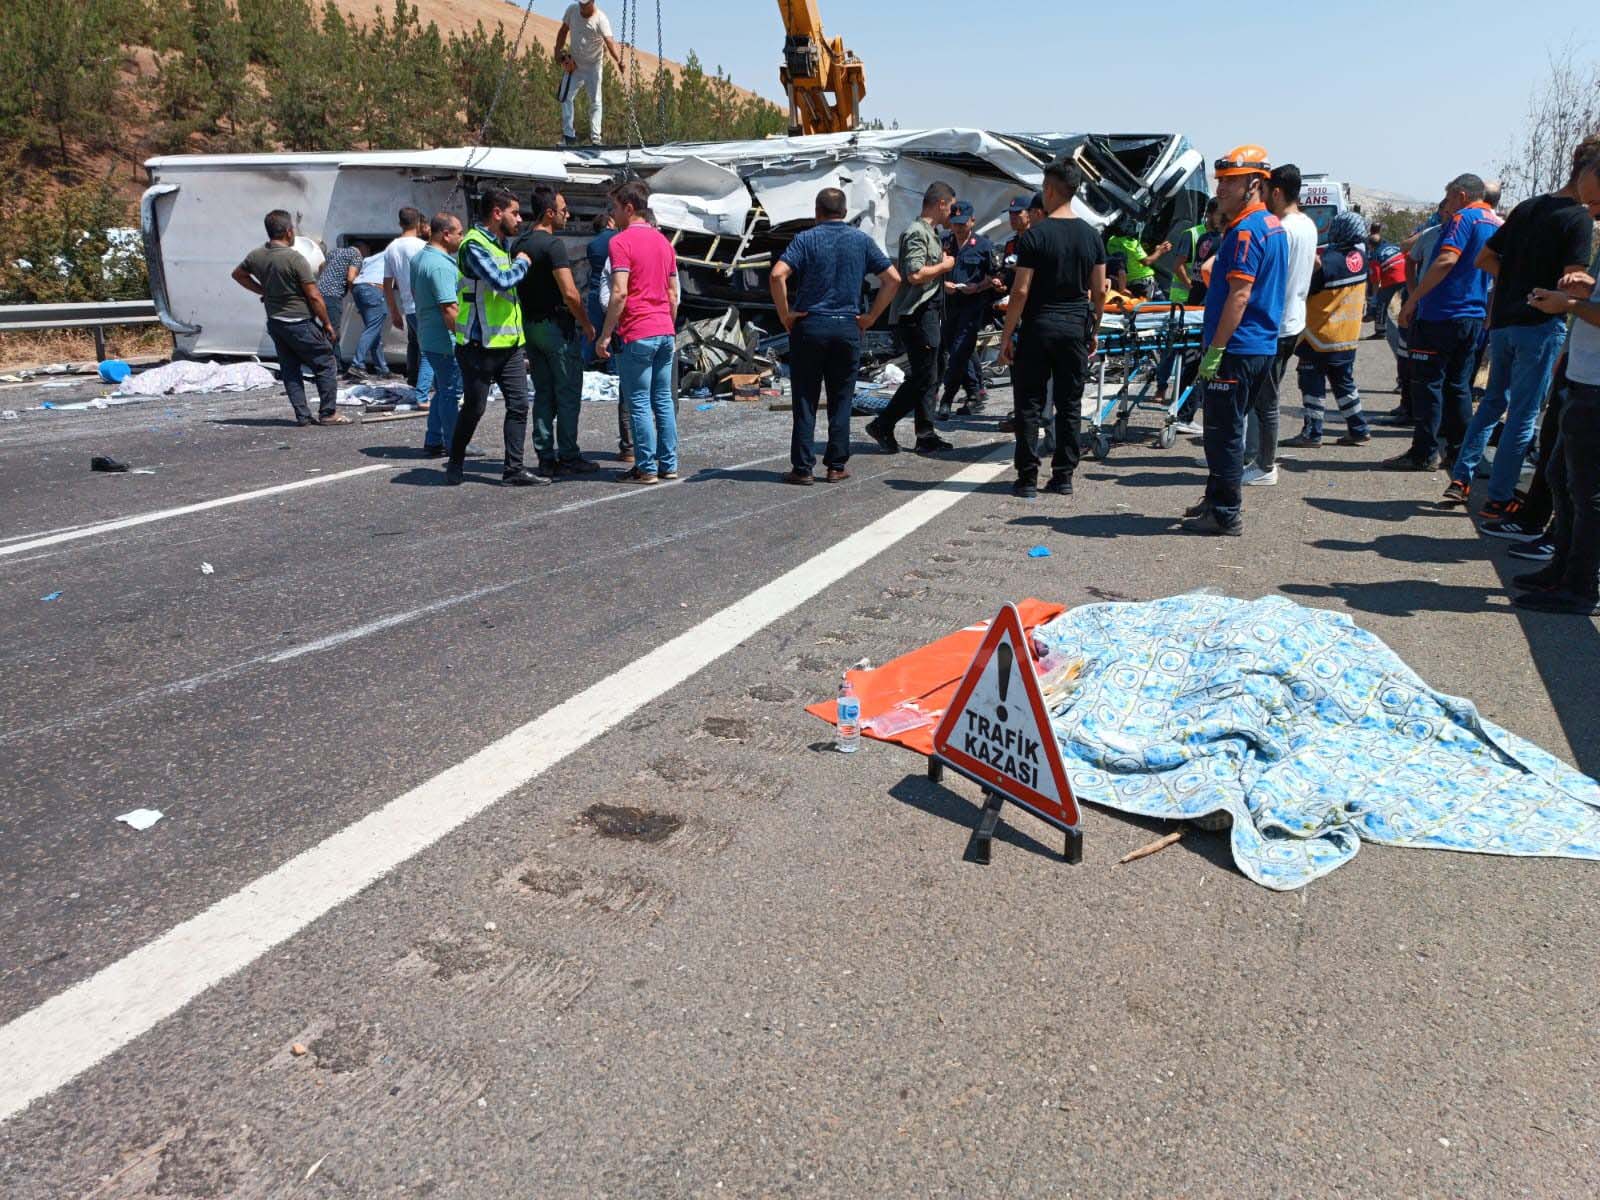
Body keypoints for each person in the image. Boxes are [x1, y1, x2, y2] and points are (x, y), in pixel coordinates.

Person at [1442, 143, 1598, 515]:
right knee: (1524, 415)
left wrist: (1515, 281)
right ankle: (1499, 496)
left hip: (1504, 322)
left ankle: (1461, 478)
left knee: (1492, 403)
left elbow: (1485, 257)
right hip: (1540, 323)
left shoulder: (1527, 207)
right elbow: (1571, 280)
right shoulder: (1576, 219)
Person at [1180, 145, 1288, 537]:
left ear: (1255, 184)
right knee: (1227, 428)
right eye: (1221, 181)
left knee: (1223, 434)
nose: (1221, 189)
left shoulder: (1246, 232)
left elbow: (1239, 295)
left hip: (1238, 348)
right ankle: (1215, 498)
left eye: (1230, 182)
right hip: (1259, 346)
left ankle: (1226, 513)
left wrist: (1216, 349)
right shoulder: (1273, 226)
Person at [769, 187, 901, 485]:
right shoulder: (861, 241)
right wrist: (870, 317)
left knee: (805, 398)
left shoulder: (805, 239)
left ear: (817, 212)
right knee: (842, 397)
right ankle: (836, 465)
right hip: (847, 326)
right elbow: (893, 279)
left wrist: (786, 315)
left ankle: (803, 468)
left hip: (811, 325)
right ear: (844, 212)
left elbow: (778, 275)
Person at [1515, 155, 1600, 614]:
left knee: (1587, 492)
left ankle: (1583, 588)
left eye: (1597, 202)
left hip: (1596, 387)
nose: (1591, 213)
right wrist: (1582, 289)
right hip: (1582, 376)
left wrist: (1566, 304)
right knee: (1561, 479)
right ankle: (1563, 571)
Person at [995, 157, 1107, 499]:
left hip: (1038, 327)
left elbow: (1021, 291)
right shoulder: (1092, 236)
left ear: (1049, 190)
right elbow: (1100, 290)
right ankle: (1063, 476)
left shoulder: (1034, 237)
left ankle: (1027, 478)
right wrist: (1093, 328)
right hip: (1074, 326)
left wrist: (1006, 335)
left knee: (1029, 403)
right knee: (1069, 404)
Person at [1386, 174, 1500, 472]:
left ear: (1461, 195)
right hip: (1472, 316)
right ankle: (1460, 453)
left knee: (1427, 384)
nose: (1446, 206)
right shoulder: (1495, 222)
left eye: (1448, 198)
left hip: (1441, 314)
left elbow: (1447, 259)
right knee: (1459, 385)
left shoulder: (1464, 218)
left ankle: (1424, 452)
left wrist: (1413, 300)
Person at [445, 187, 544, 487]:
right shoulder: (474, 246)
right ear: (497, 213)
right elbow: (501, 282)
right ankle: (455, 460)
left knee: (519, 405)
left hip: (509, 345)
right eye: (514, 212)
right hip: (479, 346)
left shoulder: (501, 245)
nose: (520, 218)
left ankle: (513, 470)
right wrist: (524, 263)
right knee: (475, 408)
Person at [230, 210, 351, 426]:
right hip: (300, 321)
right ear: (288, 231)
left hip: (276, 322)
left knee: (290, 368)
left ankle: (303, 415)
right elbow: (314, 296)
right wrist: (327, 324)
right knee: (325, 362)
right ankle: (328, 413)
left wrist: (263, 291)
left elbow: (238, 274)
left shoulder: (256, 256)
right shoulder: (295, 259)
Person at [595, 180, 680, 484]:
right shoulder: (664, 243)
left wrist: (605, 334)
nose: (613, 214)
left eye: (615, 208)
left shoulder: (620, 242)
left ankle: (646, 466)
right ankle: (668, 463)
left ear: (629, 208)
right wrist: (668, 325)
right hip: (664, 330)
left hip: (638, 330)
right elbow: (673, 294)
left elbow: (619, 293)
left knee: (640, 401)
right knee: (663, 400)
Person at [865, 181, 958, 456]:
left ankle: (925, 433)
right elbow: (914, 274)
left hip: (930, 313)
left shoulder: (932, 233)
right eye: (950, 207)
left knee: (933, 373)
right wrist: (944, 266)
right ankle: (884, 424)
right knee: (922, 377)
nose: (952, 213)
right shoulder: (916, 232)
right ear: (940, 203)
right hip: (917, 314)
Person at [513, 185, 600, 477]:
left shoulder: (520, 243)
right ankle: (569, 455)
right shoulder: (553, 246)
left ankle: (545, 456)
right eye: (563, 210)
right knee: (567, 392)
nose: (568, 214)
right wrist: (587, 325)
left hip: (531, 327)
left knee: (543, 392)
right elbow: (570, 293)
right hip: (556, 328)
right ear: (549, 213)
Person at [1243, 163, 1317, 487]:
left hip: (1275, 322)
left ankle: (1264, 464)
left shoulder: (1281, 229)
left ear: (1276, 192)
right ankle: (1252, 455)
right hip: (1293, 319)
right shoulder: (1308, 224)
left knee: (1265, 399)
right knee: (1261, 394)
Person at [1283, 210, 1371, 448]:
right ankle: (1358, 428)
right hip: (1347, 335)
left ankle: (1312, 432)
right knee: (1344, 383)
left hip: (1319, 334)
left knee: (1312, 384)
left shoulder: (1330, 261)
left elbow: (1306, 287)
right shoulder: (1361, 259)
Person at [937, 200, 1001, 418]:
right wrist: (943, 285)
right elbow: (935, 270)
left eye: (963, 223)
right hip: (948, 305)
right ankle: (974, 393)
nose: (958, 227)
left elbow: (994, 276)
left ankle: (947, 398)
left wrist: (978, 287)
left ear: (972, 221)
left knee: (959, 351)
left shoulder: (983, 245)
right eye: (955, 223)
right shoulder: (944, 242)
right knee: (957, 349)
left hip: (972, 305)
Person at [411, 212, 465, 457]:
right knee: (451, 393)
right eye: (459, 233)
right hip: (446, 340)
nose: (461, 239)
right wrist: (467, 340)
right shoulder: (440, 265)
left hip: (429, 336)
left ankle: (434, 440)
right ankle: (455, 444)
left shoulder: (420, 258)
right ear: (446, 234)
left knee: (443, 391)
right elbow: (450, 309)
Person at [556, 2, 625, 147]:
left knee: (595, 101)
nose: (582, 8)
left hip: (593, 66)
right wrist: (558, 51)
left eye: (585, 5)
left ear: (592, 2)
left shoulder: (601, 20)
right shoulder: (572, 10)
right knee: (564, 96)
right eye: (580, 4)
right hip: (575, 65)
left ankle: (596, 138)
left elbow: (609, 42)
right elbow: (563, 31)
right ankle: (568, 136)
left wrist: (618, 60)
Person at [996, 195, 1032, 436]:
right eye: (1010, 214)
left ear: (1029, 215)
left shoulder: (1034, 241)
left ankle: (1029, 415)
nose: (1013, 218)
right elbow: (1008, 277)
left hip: (1032, 308)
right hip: (1013, 308)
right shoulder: (1011, 244)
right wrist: (1000, 282)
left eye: (1017, 214)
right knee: (1014, 363)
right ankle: (1021, 413)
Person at [383, 207, 428, 395]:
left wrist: (394, 311)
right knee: (428, 348)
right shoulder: (422, 247)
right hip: (425, 305)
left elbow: (387, 283)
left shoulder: (391, 248)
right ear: (418, 223)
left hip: (408, 306)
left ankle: (413, 378)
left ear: (400, 223)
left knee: (414, 343)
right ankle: (424, 389)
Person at [315, 240, 361, 373]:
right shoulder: (356, 255)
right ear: (362, 249)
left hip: (318, 293)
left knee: (327, 330)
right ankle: (330, 367)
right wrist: (355, 294)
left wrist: (326, 280)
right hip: (332, 296)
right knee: (332, 333)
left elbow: (321, 267)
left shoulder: (334, 252)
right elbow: (351, 278)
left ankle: (337, 364)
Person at [350, 242, 391, 376]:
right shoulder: (396, 255)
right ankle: (357, 364)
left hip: (358, 288)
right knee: (373, 328)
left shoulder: (369, 259)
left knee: (374, 330)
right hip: (373, 288)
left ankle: (382, 369)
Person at [1106, 219, 1168, 299]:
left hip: (1130, 283)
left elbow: (1129, 257)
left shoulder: (1111, 241)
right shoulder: (1132, 243)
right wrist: (1160, 251)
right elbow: (1146, 261)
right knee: (1161, 305)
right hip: (1144, 281)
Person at [1367, 225, 1407, 338]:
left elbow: (1375, 280)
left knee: (1382, 303)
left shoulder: (1375, 255)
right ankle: (1408, 327)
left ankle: (1380, 332)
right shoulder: (1393, 246)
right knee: (1408, 301)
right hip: (1407, 274)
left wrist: (1375, 297)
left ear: (1370, 246)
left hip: (1392, 278)